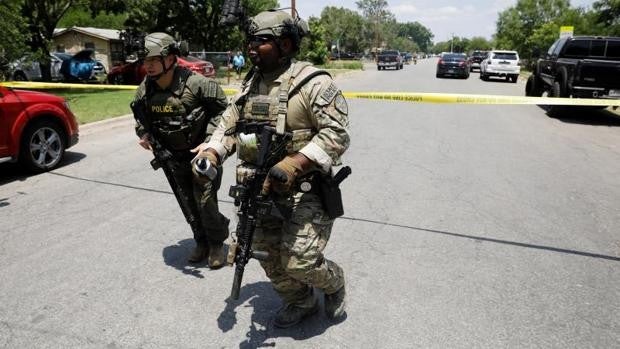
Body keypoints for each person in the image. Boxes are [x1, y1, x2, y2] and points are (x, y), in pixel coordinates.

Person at [192, 10, 350, 327]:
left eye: (261, 41)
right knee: (266, 255)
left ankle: (334, 284)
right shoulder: (250, 86)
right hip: (259, 192)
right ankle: (301, 301)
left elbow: (337, 134)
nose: (251, 47)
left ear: (286, 44)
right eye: (249, 41)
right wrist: (211, 152)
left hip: (307, 193)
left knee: (299, 261)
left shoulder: (313, 82)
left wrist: (295, 163)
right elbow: (228, 128)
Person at [132, 32, 230, 268]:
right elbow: (140, 118)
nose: (149, 66)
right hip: (171, 157)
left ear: (171, 58)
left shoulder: (197, 83)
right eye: (146, 61)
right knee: (186, 201)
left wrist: (210, 141)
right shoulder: (145, 90)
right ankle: (201, 241)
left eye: (154, 60)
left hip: (202, 154)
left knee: (205, 199)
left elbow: (223, 112)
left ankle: (217, 243)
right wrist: (143, 134)